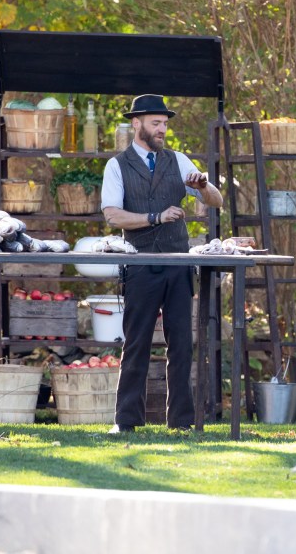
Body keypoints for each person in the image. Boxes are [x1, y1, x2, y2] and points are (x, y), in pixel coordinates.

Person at [101, 94, 223, 434]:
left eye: (165, 124)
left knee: (182, 343)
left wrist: (204, 186)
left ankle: (182, 423)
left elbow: (216, 201)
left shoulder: (179, 160)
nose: (162, 130)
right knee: (136, 342)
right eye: (156, 123)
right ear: (137, 124)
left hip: (178, 263)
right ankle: (125, 421)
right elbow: (112, 215)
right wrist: (155, 217)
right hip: (140, 264)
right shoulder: (118, 165)